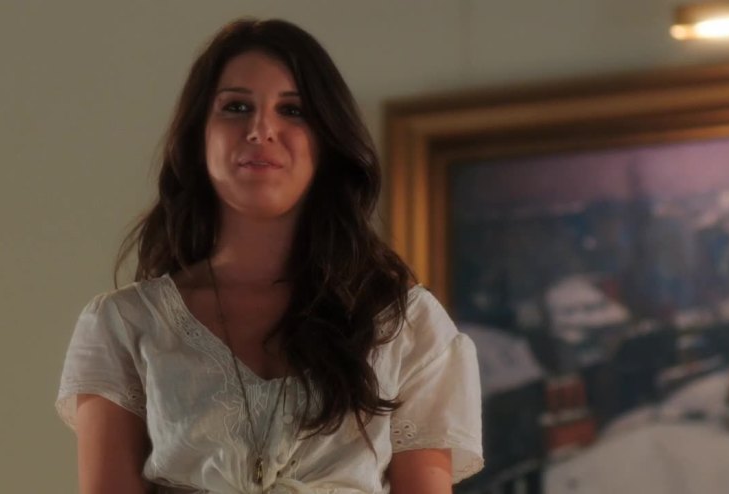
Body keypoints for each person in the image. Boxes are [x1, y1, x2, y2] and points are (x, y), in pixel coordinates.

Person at [56, 18, 482, 494]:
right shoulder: (124, 325)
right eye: (236, 107)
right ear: (200, 135)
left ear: (327, 140)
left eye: (293, 110)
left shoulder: (405, 325)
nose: (260, 130)